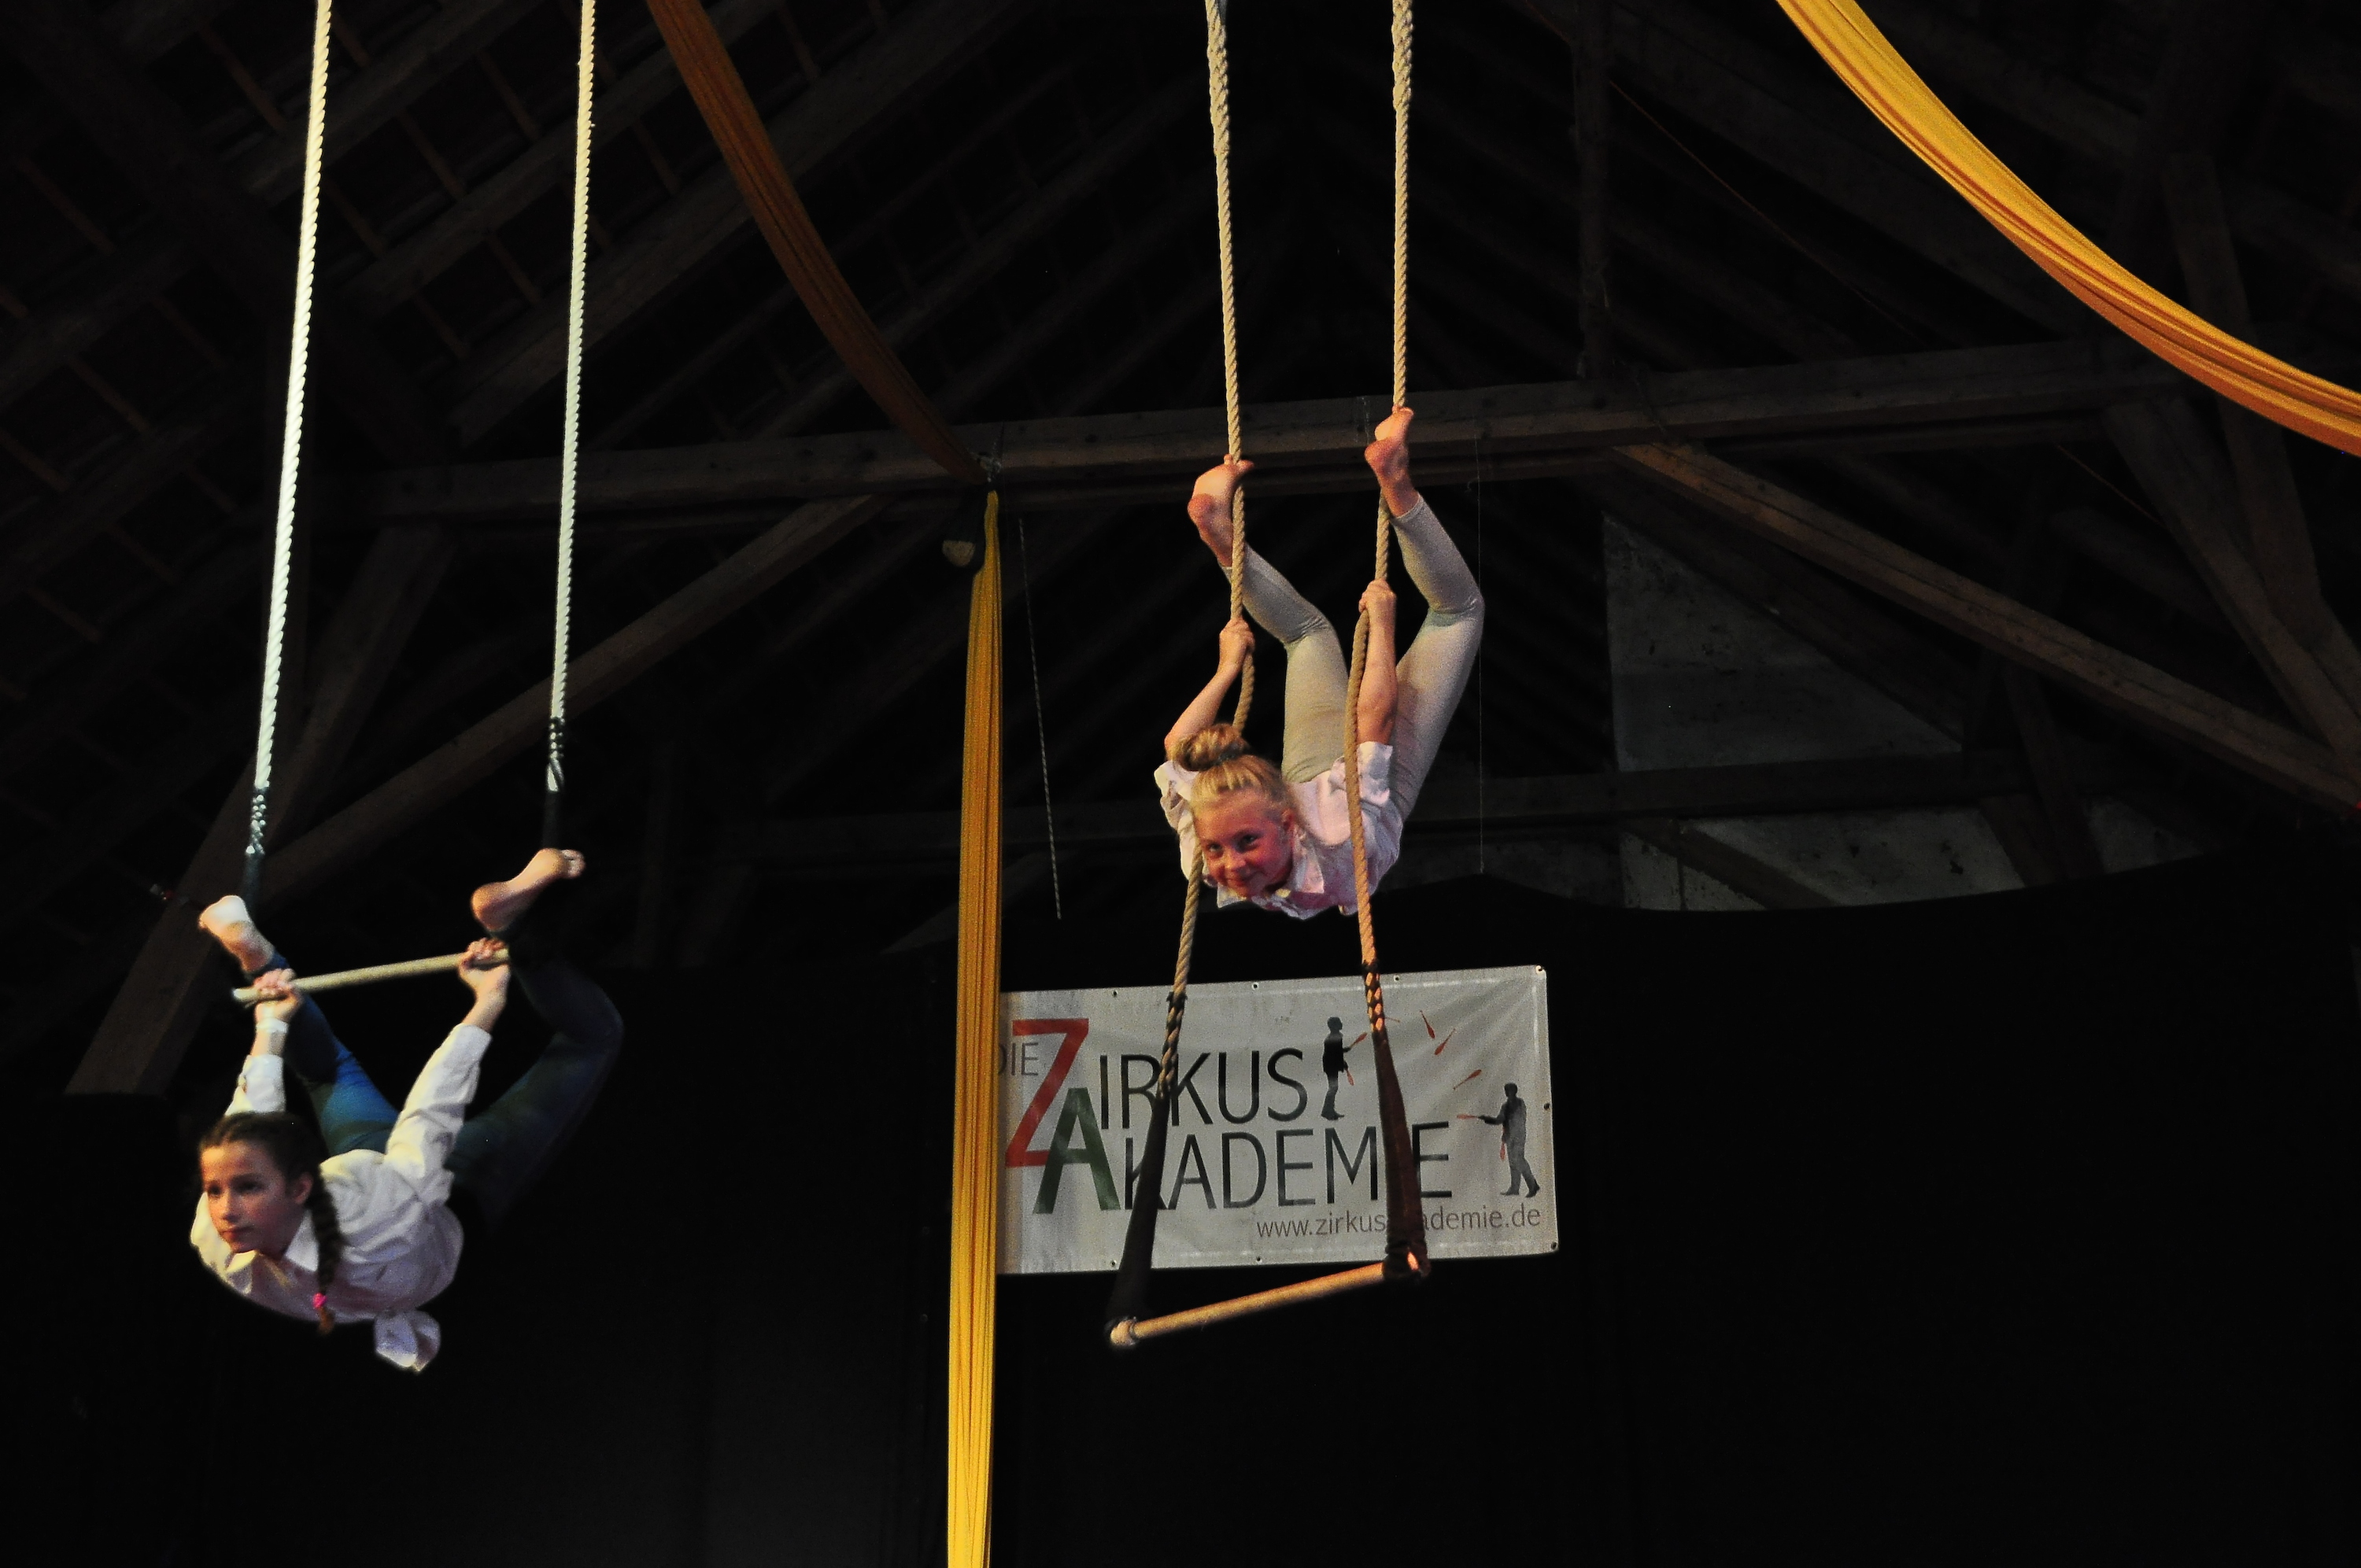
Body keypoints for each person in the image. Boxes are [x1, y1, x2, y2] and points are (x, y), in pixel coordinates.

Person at [190, 849, 622, 1371]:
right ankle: (262, 955)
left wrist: (271, 1021)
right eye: (220, 1191)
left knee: (592, 1041)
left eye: (237, 1188)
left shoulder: (232, 1242)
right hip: (401, 1183)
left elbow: (425, 1116)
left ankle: (510, 926)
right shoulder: (348, 1236)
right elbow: (424, 1117)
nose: (224, 1210)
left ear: (303, 1184)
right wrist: (485, 1004)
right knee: (327, 1072)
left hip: (432, 1184)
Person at [1158, 406, 1483, 918]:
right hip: (1323, 773)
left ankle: (1395, 481)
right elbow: (1178, 748)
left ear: (1287, 823)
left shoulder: (1335, 840)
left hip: (1348, 773)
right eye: (1232, 846)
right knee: (1303, 634)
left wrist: (1384, 626)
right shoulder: (1223, 842)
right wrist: (1226, 668)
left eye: (1235, 843)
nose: (1232, 865)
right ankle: (1219, 532)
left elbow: (1376, 721)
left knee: (1457, 612)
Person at [1480, 1082, 1540, 1199]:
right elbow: (1499, 1120)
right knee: (1512, 1162)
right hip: (1509, 1136)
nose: (1507, 1092)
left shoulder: (1520, 1103)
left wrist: (1509, 1128)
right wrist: (1487, 1119)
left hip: (1518, 1136)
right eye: (1506, 1090)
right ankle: (1515, 1188)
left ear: (1514, 1091)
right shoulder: (1505, 1106)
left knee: (1518, 1160)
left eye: (1509, 1090)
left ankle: (1533, 1185)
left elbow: (1519, 1120)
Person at [1318, 1016, 1351, 1121]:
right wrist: (1343, 1064)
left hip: (1330, 1065)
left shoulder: (1334, 1037)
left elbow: (1336, 1051)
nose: (1341, 1024)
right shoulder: (1335, 1037)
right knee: (1333, 1087)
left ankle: (1329, 1110)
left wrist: (1343, 1050)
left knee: (1333, 1087)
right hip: (1331, 1065)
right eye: (1339, 1023)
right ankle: (1327, 1111)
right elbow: (1335, 1054)